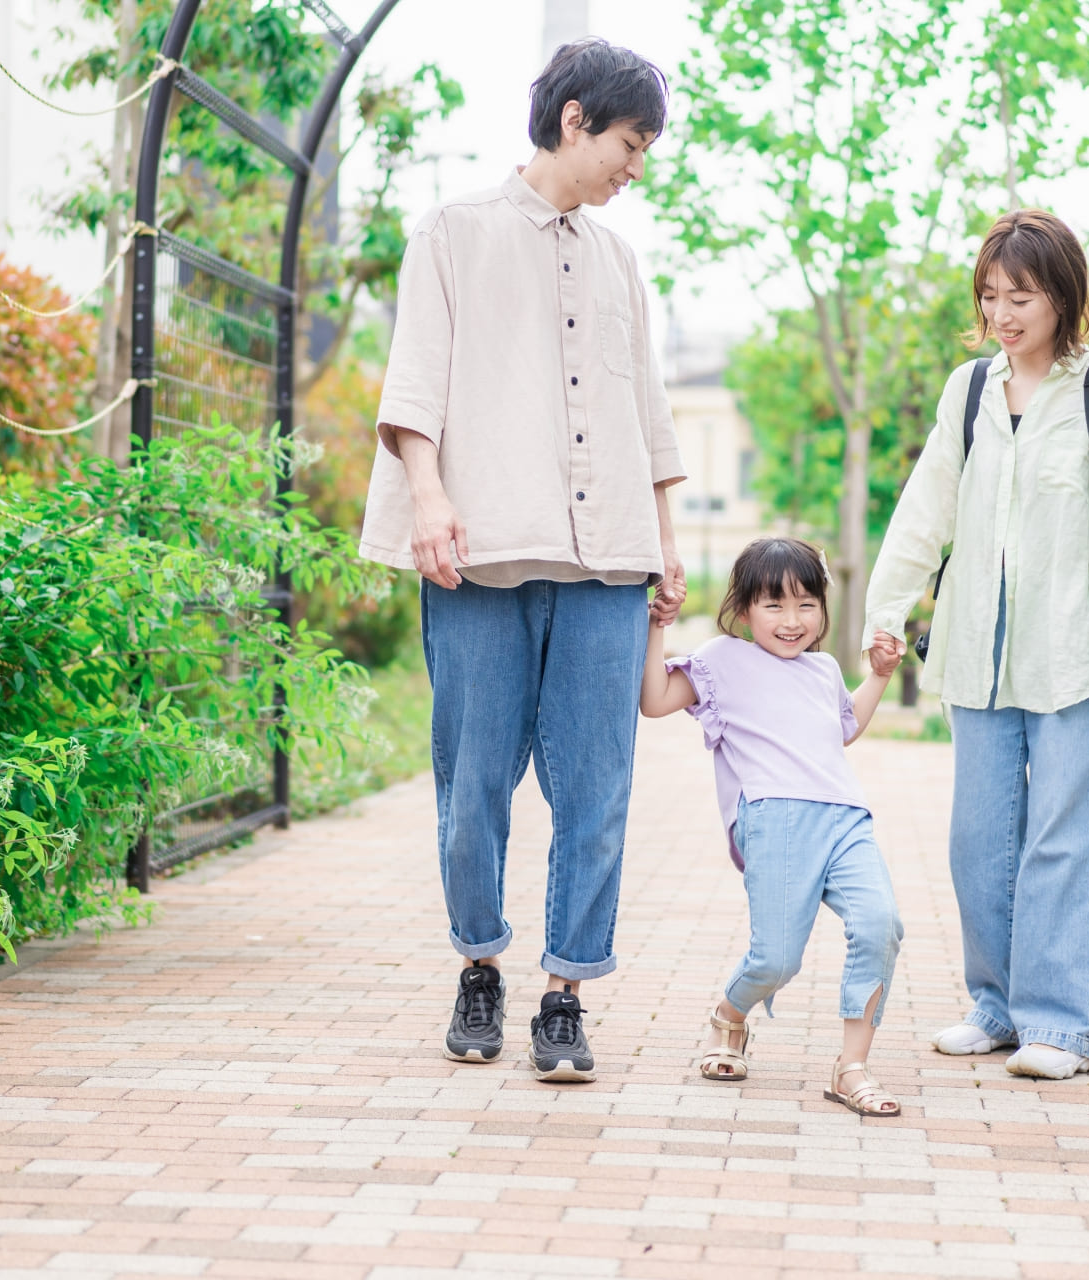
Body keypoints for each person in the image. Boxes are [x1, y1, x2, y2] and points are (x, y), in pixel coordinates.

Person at [358, 39, 687, 1083]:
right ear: (577, 117)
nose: (636, 166)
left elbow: (648, 413)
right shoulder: (452, 234)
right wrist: (430, 497)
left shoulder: (618, 258)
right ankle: (479, 963)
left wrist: (666, 548)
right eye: (631, 143)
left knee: (597, 790)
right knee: (472, 787)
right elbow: (414, 385)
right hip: (479, 553)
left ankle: (566, 994)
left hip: (605, 563)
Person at [864, 209, 1089, 1080]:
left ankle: (1059, 1023)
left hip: (1072, 657)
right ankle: (995, 1007)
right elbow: (926, 508)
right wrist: (886, 609)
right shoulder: (968, 391)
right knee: (979, 841)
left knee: (1062, 839)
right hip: (976, 653)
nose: (1003, 314)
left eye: (1020, 295)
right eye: (990, 296)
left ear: (1063, 296)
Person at [639, 537, 908, 1116]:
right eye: (774, 606)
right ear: (743, 611)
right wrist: (657, 625)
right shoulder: (721, 658)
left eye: (806, 605)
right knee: (778, 959)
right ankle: (729, 1017)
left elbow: (842, 729)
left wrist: (879, 676)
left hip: (844, 817)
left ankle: (852, 1068)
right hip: (774, 818)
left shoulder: (824, 668)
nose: (792, 621)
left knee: (881, 923)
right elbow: (655, 699)